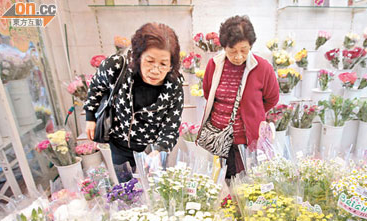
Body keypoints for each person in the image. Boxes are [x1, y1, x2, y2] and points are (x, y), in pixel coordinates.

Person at [84, 22, 184, 182]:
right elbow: (96, 87)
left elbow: (171, 126)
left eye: (163, 64)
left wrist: (159, 151)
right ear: (138, 56)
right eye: (149, 61)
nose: (156, 70)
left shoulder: (173, 85)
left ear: (171, 63)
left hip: (152, 150)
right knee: (126, 191)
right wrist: (90, 118)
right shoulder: (116, 66)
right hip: (120, 143)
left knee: (156, 192)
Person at [200, 15, 279, 179]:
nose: (238, 56)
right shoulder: (214, 65)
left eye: (244, 50)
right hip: (218, 138)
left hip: (248, 141)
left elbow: (272, 98)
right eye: (232, 51)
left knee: (246, 183)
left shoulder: (262, 67)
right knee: (220, 182)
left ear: (251, 45)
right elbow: (209, 93)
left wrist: (252, 112)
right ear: (224, 47)